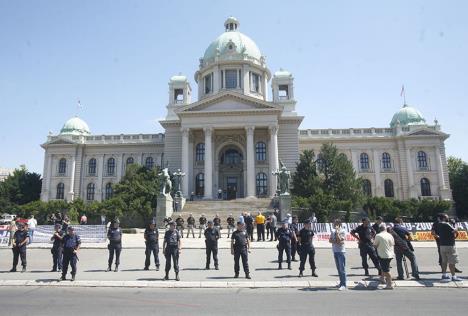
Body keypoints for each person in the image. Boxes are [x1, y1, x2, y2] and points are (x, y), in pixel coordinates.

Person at [433, 214, 462, 281]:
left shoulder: (438, 224)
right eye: (447, 217)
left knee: (444, 261)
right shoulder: (446, 224)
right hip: (450, 245)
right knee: (452, 261)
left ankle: (444, 275)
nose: (448, 219)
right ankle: (454, 276)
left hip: (442, 245)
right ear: (443, 218)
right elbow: (455, 230)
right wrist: (455, 224)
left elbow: (435, 233)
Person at [374, 224, 395, 289]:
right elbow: (392, 244)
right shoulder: (390, 235)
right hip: (390, 254)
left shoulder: (378, 235)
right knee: (384, 267)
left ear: (379, 229)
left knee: (386, 270)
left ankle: (390, 284)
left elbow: (375, 245)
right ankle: (382, 279)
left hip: (383, 255)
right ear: (385, 229)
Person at [329, 219, 347, 290]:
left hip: (341, 252)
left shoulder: (342, 231)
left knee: (342, 269)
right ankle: (341, 282)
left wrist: (337, 232)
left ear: (338, 224)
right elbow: (330, 240)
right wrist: (335, 241)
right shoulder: (332, 231)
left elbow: (340, 241)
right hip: (335, 251)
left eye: (334, 223)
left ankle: (343, 285)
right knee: (338, 269)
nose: (333, 224)